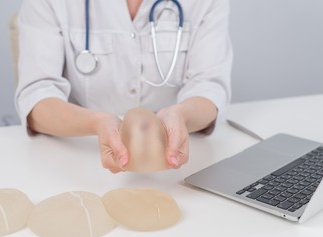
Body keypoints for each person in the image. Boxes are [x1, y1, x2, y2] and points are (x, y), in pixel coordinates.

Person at [15, 0, 232, 173]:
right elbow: (36, 96)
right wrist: (97, 123)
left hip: (177, 165)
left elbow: (209, 86)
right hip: (78, 160)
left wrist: (181, 115)